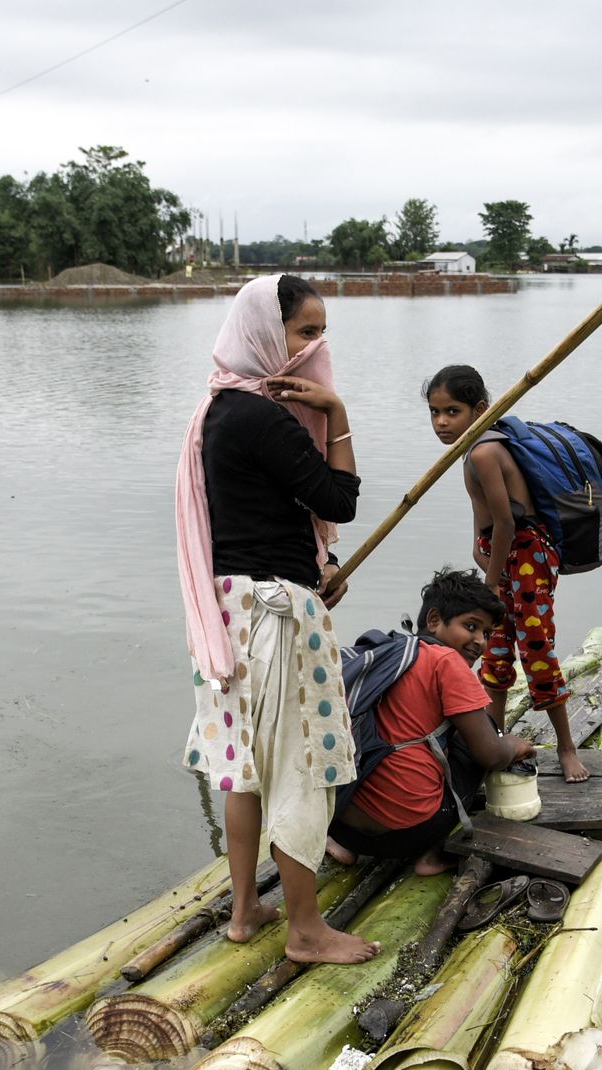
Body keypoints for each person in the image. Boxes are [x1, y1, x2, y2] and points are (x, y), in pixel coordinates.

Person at [175, 275, 380, 966]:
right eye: (305, 331)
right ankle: (305, 930)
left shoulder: (218, 410)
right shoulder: (261, 416)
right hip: (275, 619)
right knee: (298, 768)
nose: (316, 346)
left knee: (246, 770)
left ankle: (243, 911)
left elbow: (258, 516)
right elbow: (339, 498)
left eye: (322, 331)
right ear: (267, 333)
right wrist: (338, 413)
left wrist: (305, 565)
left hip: (236, 605)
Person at [424, 364, 591, 782]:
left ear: (480, 408)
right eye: (435, 412)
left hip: (526, 561)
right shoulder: (471, 448)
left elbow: (507, 523)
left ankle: (568, 749)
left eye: (452, 411)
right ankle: (492, 743)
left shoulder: (484, 450)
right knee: (494, 653)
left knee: (537, 652)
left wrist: (491, 583)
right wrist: (477, 551)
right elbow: (484, 516)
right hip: (499, 557)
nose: (442, 422)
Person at [326, 568, 535, 875]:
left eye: (487, 633)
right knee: (484, 735)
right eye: (471, 626)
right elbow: (490, 754)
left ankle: (341, 844)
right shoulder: (446, 662)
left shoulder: (393, 651)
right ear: (435, 620)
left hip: (340, 823)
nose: (480, 642)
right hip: (407, 835)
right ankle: (432, 854)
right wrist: (513, 745)